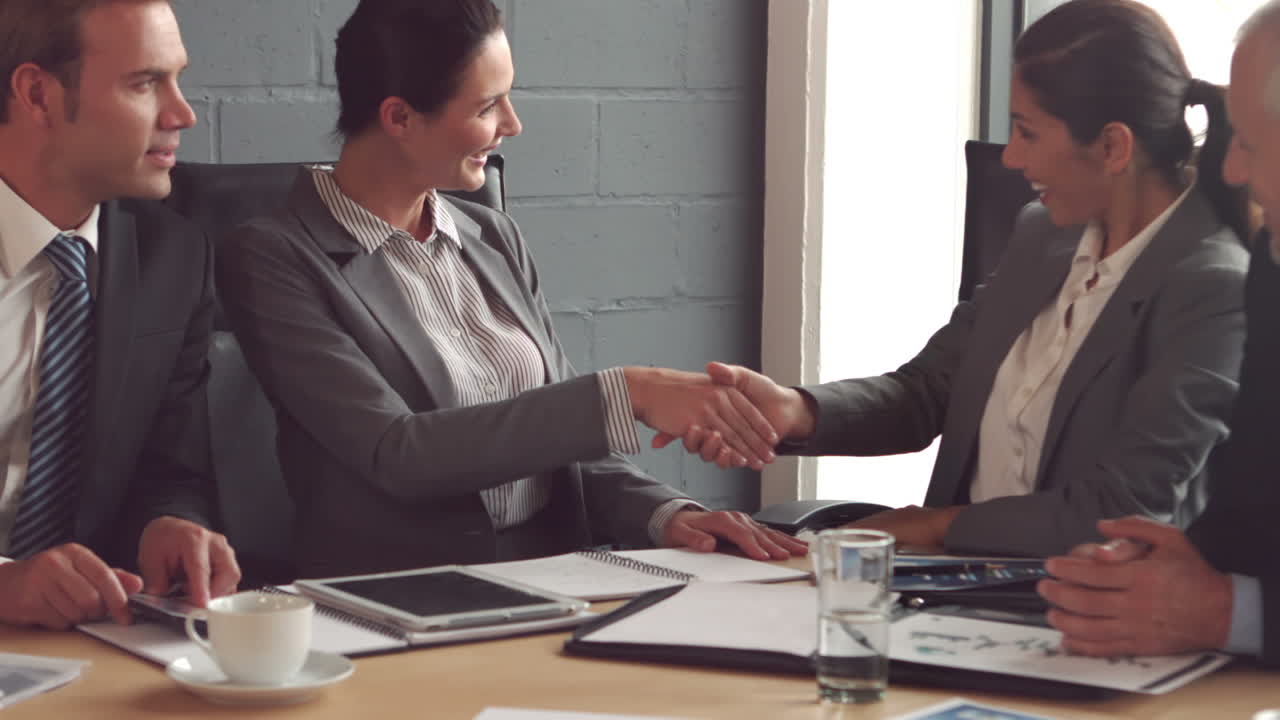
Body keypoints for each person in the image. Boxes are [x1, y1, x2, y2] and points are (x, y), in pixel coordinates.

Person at [216, 0, 804, 578]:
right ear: (399, 118)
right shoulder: (275, 257)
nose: (512, 125)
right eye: (488, 105)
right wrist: (628, 392)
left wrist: (667, 514)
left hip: (561, 576)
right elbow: (396, 453)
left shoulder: (492, 236)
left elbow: (563, 443)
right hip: (404, 597)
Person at [663, 0, 1252, 558]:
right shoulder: (1041, 235)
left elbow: (1125, 509)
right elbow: (929, 391)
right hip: (948, 593)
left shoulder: (1211, 285)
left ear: (1112, 145)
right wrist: (792, 410)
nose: (1013, 160)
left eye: (1028, 132)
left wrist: (929, 525)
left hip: (1083, 616)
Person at [1039, 0, 1280, 665]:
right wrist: (1152, 572)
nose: (1229, 172)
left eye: (1251, 146)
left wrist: (1232, 611)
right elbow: (1251, 505)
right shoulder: (1272, 264)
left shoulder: (1221, 271)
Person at [0, 0, 239, 630]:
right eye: (144, 83)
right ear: (38, 95)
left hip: (90, 644)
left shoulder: (173, 256)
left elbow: (170, 467)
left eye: (177, 78)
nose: (181, 113)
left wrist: (169, 523)